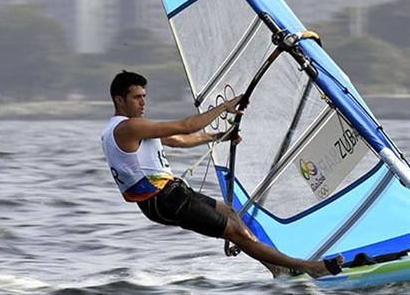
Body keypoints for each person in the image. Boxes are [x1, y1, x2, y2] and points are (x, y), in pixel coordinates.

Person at [101, 71, 343, 278]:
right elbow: (187, 126)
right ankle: (309, 267)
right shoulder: (128, 127)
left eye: (144, 97)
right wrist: (225, 107)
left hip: (172, 194)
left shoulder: (131, 129)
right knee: (236, 233)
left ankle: (277, 269)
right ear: (119, 100)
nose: (143, 103)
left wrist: (219, 137)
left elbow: (178, 140)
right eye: (136, 98)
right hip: (164, 200)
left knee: (230, 213)